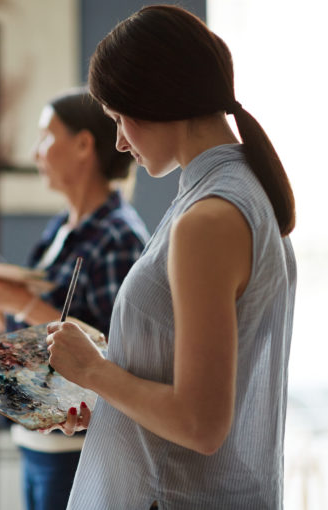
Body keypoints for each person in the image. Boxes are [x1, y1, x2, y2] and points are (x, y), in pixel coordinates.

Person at [44, 5, 297, 509]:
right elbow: (195, 388)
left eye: (118, 119)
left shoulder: (209, 218)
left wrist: (95, 370)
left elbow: (201, 424)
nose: (118, 141)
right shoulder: (237, 192)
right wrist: (107, 399)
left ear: (154, 100)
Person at [0, 90, 148, 510]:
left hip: (81, 450)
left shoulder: (119, 236)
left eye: (45, 137)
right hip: (38, 443)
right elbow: (19, 331)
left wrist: (22, 301)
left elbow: (119, 353)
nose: (36, 152)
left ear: (83, 145)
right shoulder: (59, 229)